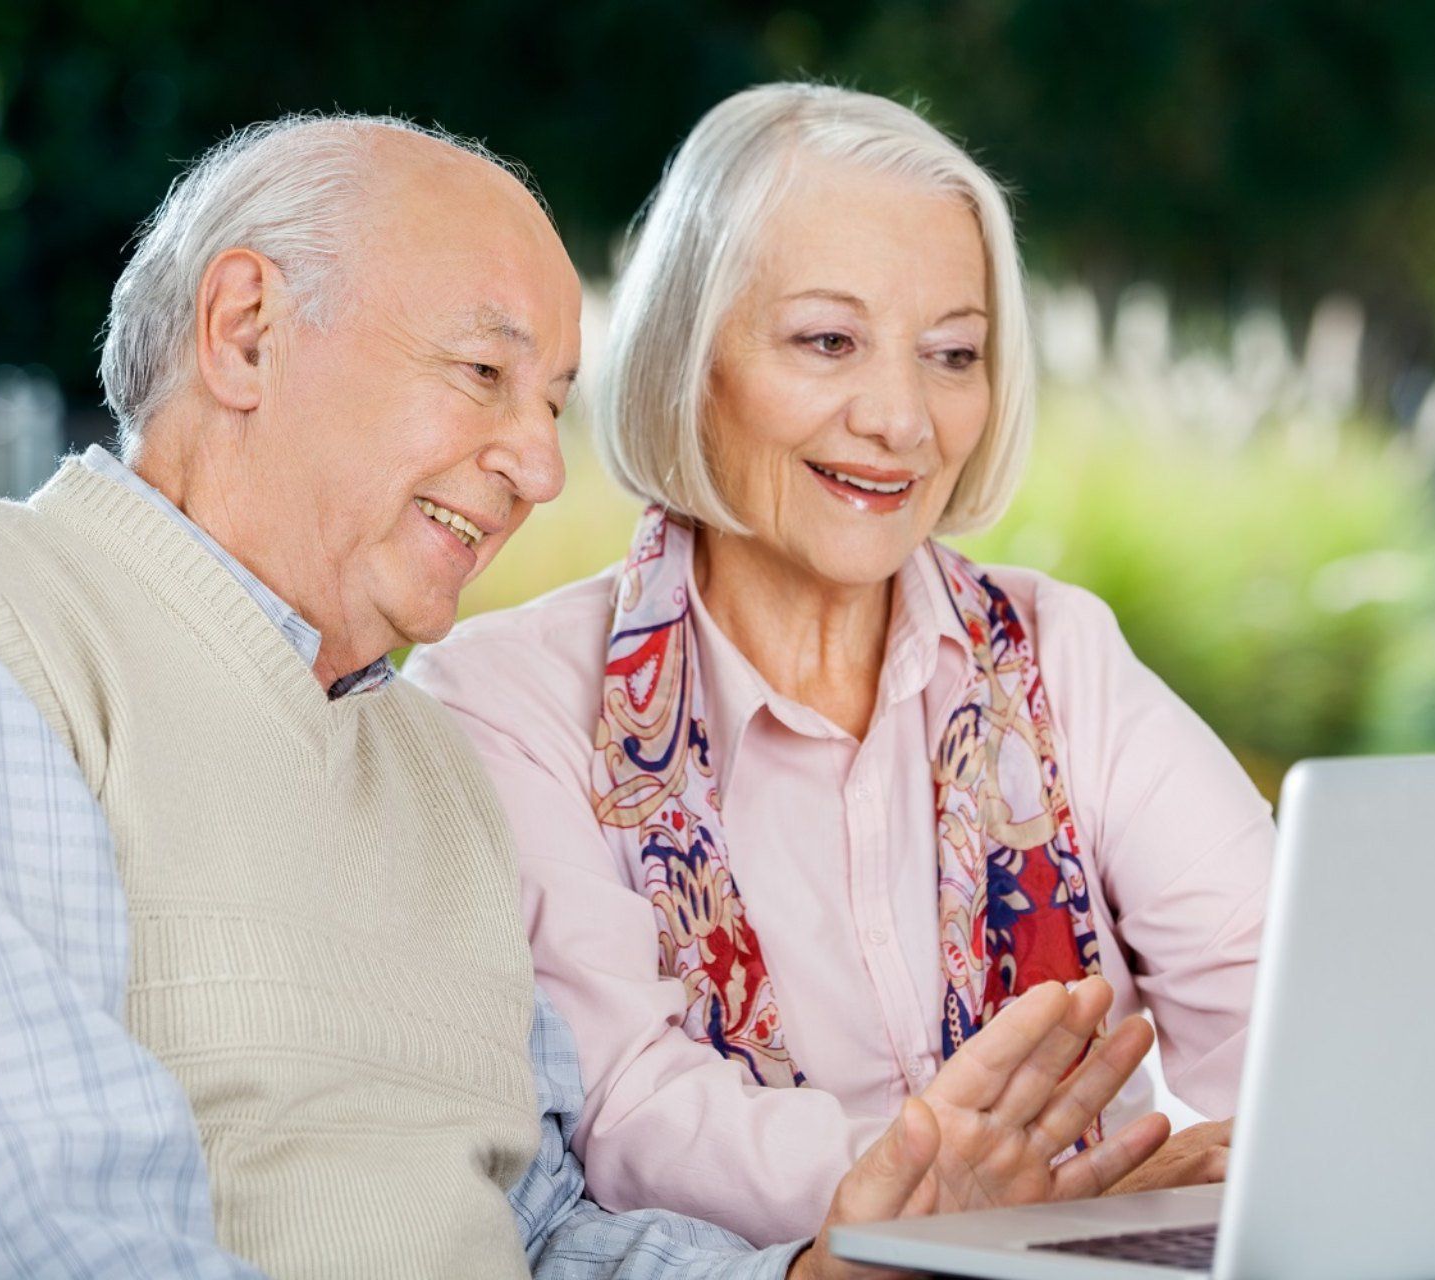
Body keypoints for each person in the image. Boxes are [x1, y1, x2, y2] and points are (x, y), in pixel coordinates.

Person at [0, 111, 1173, 1280]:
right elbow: (40, 1242)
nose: (538, 465)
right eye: (483, 375)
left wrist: (815, 1273)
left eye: (553, 404)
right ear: (244, 334)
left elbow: (543, 1232)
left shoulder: (430, 757)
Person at [407, 83, 1275, 1247]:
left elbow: (1279, 1004)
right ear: (687, 352)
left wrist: (1267, 1141)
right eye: (828, 340)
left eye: (952, 353)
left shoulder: (1058, 652)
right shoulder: (507, 700)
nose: (902, 419)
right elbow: (631, 1109)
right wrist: (1007, 1192)